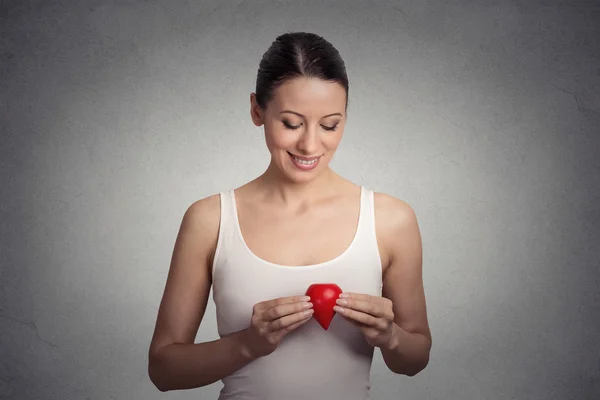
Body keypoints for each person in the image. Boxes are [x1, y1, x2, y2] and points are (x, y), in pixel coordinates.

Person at [147, 31, 432, 399]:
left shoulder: (390, 219)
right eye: (292, 123)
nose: (310, 145)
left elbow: (416, 358)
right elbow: (164, 371)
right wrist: (248, 344)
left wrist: (391, 337)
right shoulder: (210, 220)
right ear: (257, 110)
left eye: (330, 125)